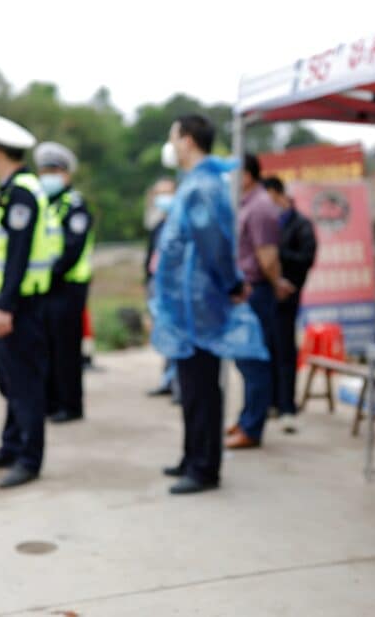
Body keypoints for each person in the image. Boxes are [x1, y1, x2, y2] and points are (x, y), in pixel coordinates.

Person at [150, 114, 268, 495]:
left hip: (200, 306)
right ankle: (191, 456)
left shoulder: (203, 186)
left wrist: (231, 283)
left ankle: (204, 468)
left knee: (201, 387)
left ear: (187, 140)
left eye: (173, 136)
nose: (171, 144)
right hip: (187, 307)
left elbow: (214, 244)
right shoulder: (195, 182)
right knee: (190, 385)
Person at [0, 115, 53, 489]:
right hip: (5, 298)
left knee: (24, 383)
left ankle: (29, 459)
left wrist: (5, 305)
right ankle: (11, 444)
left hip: (20, 305)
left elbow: (18, 254)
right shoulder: (14, 190)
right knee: (10, 380)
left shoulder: (22, 193)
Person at [225, 154, 295, 450]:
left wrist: (276, 282)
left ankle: (252, 428)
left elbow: (267, 255)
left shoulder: (260, 208)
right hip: (246, 291)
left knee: (254, 360)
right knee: (245, 359)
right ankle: (245, 418)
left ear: (247, 176)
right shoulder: (247, 204)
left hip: (256, 292)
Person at [34, 141, 95, 424]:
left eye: (53, 171)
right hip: (47, 286)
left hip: (68, 286)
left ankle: (71, 405)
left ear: (66, 175)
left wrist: (49, 272)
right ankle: (50, 401)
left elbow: (72, 249)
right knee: (46, 346)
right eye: (43, 170)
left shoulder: (75, 205)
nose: (46, 176)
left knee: (66, 349)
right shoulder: (48, 205)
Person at [262, 176, 316, 433]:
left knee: (285, 351)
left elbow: (306, 257)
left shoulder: (300, 224)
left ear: (276, 193)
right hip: (267, 294)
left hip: (288, 293)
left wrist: (277, 255)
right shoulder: (269, 222)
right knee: (268, 348)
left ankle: (287, 406)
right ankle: (272, 401)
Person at [144, 177, 179, 400]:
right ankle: (167, 379)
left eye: (168, 192)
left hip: (173, 289)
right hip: (156, 287)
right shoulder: (158, 226)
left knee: (177, 336)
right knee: (165, 336)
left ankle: (178, 385)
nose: (163, 198)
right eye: (159, 193)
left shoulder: (179, 224)